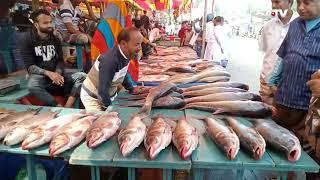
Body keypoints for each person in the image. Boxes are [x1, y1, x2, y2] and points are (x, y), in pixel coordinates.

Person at [268, 0, 320, 143]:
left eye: (307, 3)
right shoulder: (295, 24)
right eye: (299, 2)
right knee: (276, 142)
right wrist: (273, 78)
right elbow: (285, 55)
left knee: (301, 148)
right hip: (283, 99)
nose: (301, 7)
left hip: (308, 108)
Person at [21, 9, 86, 108]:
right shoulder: (27, 39)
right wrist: (49, 74)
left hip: (56, 73)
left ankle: (68, 106)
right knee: (32, 86)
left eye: (50, 22)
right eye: (45, 23)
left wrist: (58, 73)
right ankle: (57, 106)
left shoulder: (55, 39)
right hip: (40, 75)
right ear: (36, 25)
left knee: (82, 76)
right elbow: (30, 67)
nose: (50, 25)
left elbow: (59, 60)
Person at [80, 27, 143, 111]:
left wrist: (131, 88)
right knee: (102, 121)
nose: (140, 48)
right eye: (136, 44)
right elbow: (103, 91)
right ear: (123, 44)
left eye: (140, 44)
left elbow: (123, 73)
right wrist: (109, 109)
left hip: (108, 94)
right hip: (93, 97)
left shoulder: (127, 53)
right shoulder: (110, 61)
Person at [259, 0, 297, 105]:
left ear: (290, 2)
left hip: (289, 87)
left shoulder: (301, 25)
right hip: (266, 83)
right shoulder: (268, 26)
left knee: (283, 119)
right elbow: (265, 50)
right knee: (264, 117)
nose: (274, 6)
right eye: (272, 2)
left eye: (277, 2)